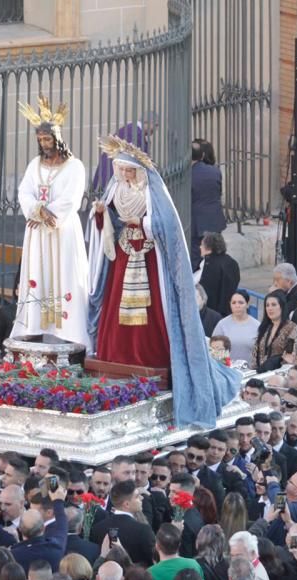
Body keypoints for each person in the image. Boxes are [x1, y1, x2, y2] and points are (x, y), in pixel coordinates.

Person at [88, 136, 239, 427]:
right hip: (122, 255)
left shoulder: (151, 192)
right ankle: (114, 353)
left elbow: (167, 226)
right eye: (121, 170)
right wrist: (101, 214)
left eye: (130, 170)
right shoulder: (115, 190)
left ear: (140, 170)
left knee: (153, 310)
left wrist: (142, 224)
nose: (126, 174)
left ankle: (152, 355)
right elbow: (108, 224)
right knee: (115, 305)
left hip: (148, 257)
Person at [10, 99, 89, 347]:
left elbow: (72, 198)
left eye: (48, 139)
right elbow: (24, 192)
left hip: (62, 231)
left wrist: (47, 213)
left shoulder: (75, 166)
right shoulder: (34, 165)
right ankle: (34, 327)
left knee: (65, 276)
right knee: (38, 276)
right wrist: (37, 210)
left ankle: (70, 333)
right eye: (41, 140)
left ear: (57, 138)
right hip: (38, 233)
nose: (44, 144)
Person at [189, 139, 225, 268]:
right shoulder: (215, 170)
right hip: (215, 219)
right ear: (202, 155)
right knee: (216, 255)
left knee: (196, 259)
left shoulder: (187, 175)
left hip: (197, 223)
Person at [251, 291, 297, 371]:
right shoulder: (264, 327)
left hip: (279, 375)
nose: (270, 308)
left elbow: (290, 356)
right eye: (267, 305)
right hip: (259, 373)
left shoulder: (291, 327)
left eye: (274, 305)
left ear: (281, 306)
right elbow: (255, 352)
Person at [197, 232, 239, 316]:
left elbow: (206, 291)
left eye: (202, 245)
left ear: (208, 248)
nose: (200, 247)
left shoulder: (208, 265)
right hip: (229, 310)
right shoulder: (232, 262)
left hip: (212, 313)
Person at [212, 291, 259, 365]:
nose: (237, 306)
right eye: (234, 303)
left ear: (247, 304)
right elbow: (214, 349)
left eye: (241, 302)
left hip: (250, 372)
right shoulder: (222, 324)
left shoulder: (257, 325)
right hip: (227, 371)